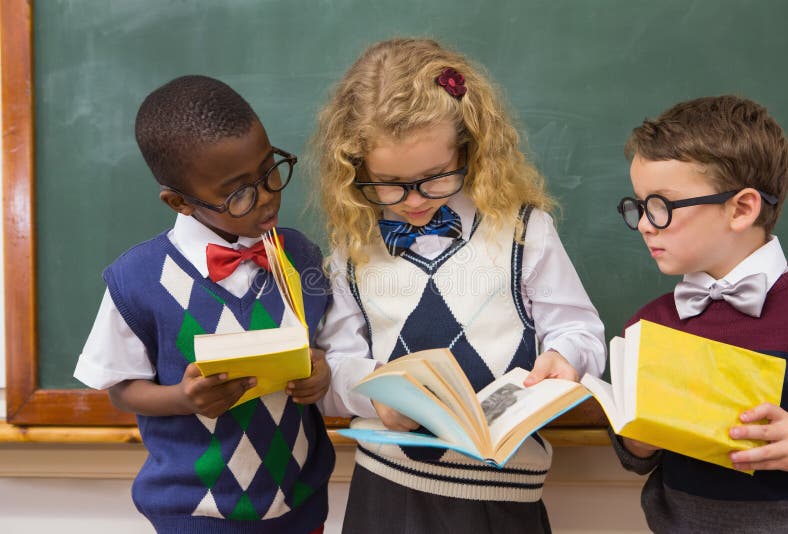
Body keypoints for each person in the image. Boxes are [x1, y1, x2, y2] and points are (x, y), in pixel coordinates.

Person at [313, 38, 606, 533]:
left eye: (434, 177)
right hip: (386, 494)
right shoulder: (354, 249)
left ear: (468, 148)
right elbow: (334, 366)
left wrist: (568, 357)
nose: (414, 201)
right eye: (389, 183)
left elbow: (580, 330)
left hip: (503, 497)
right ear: (356, 167)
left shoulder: (523, 231)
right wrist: (373, 396)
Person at [74, 75, 334, 533]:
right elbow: (120, 388)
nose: (267, 197)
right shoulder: (137, 280)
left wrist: (321, 372)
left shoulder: (300, 255)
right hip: (198, 515)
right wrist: (183, 398)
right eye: (239, 193)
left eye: (270, 170)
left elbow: (331, 347)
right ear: (179, 202)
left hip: (300, 508)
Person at [611, 94, 788, 532]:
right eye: (640, 205)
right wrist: (636, 441)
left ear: (741, 209)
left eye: (662, 206)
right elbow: (638, 458)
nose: (645, 223)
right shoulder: (651, 324)